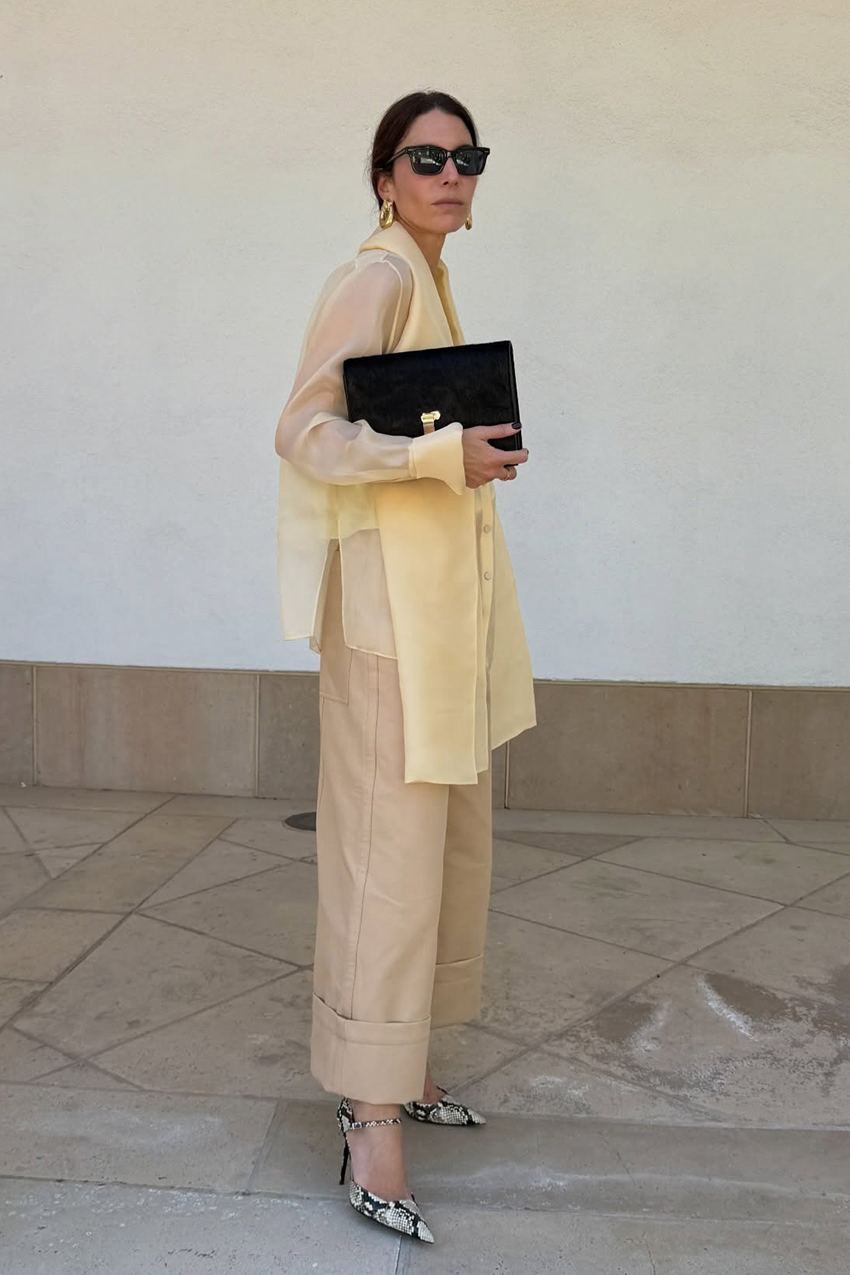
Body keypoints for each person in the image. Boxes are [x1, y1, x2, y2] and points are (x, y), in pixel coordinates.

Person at [274, 89, 536, 1244]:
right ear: (383, 176)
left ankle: (410, 1061)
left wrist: (462, 457)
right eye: (424, 157)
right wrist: (438, 453)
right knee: (386, 856)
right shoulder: (376, 276)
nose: (449, 173)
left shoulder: (430, 279)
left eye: (464, 156)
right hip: (388, 614)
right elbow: (304, 429)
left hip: (440, 612)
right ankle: (368, 1110)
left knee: (442, 840)